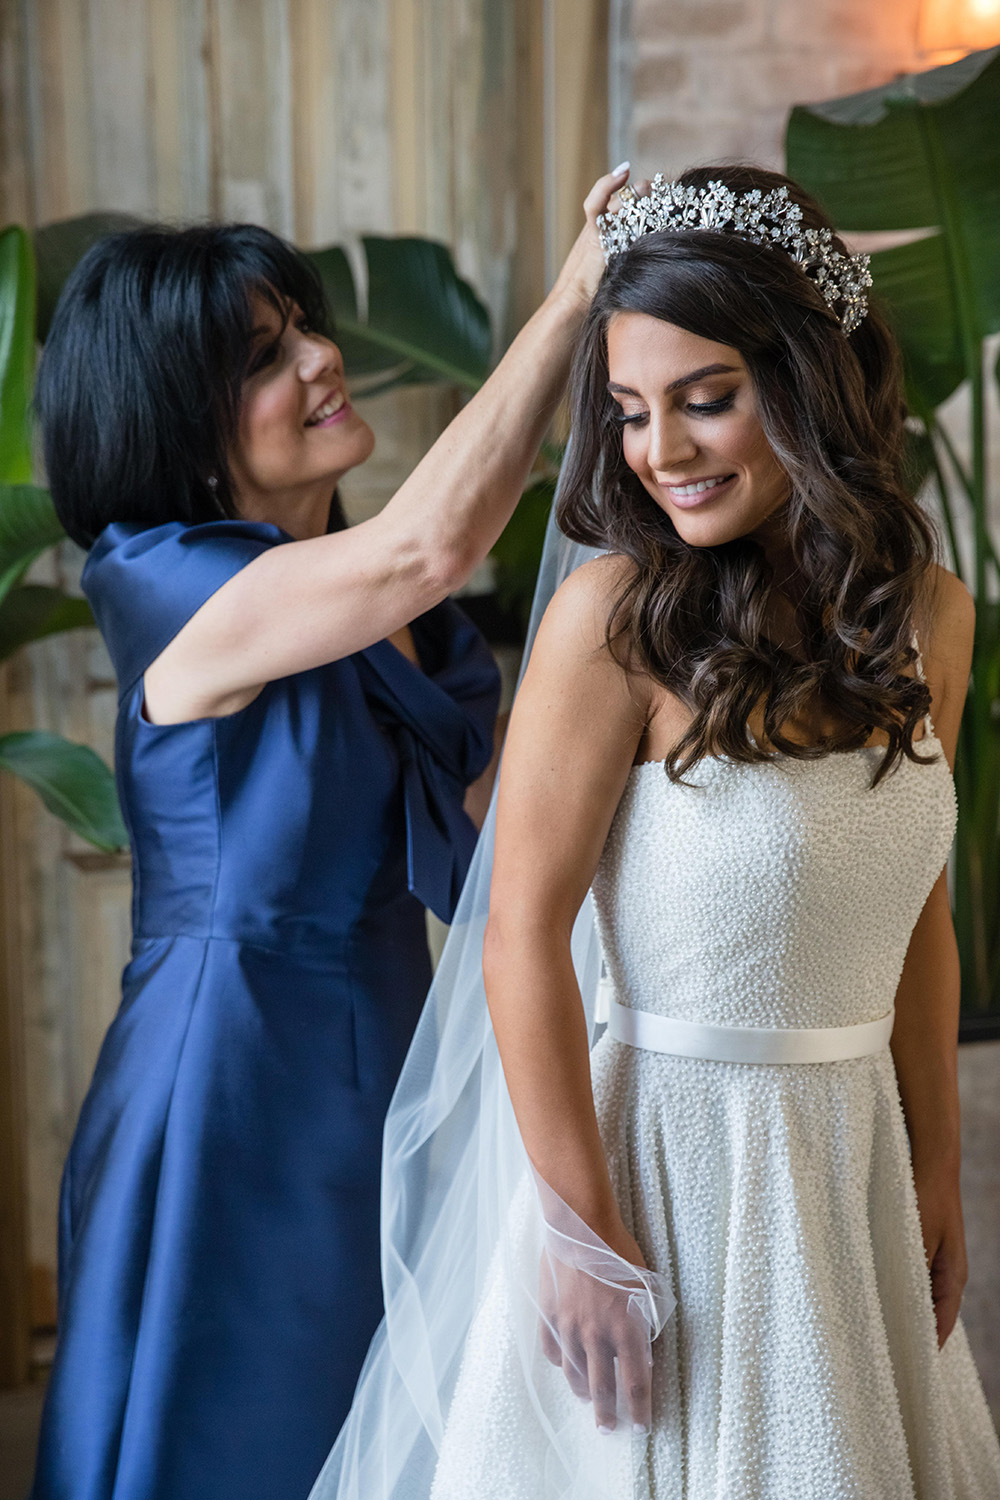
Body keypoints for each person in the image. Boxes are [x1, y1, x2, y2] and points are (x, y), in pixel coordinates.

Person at [308, 165, 1000, 1500]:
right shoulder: (614, 625)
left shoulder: (933, 616)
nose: (661, 452)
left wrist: (936, 1166)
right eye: (630, 413)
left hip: (849, 1168)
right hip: (667, 1173)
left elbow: (918, 910)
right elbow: (517, 933)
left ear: (814, 380)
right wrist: (578, 1234)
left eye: (707, 398)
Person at [28, 166, 630, 1500]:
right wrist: (582, 287)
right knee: (233, 1435)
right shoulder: (158, 578)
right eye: (263, 355)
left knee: (377, 1432)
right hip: (228, 1078)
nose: (320, 357)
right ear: (177, 421)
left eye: (305, 321)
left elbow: (503, 843)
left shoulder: (389, 622)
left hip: (385, 1054)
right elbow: (423, 548)